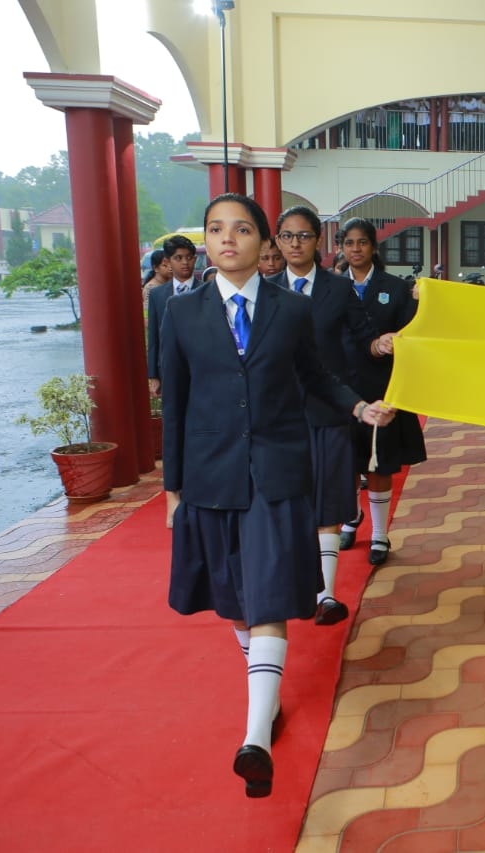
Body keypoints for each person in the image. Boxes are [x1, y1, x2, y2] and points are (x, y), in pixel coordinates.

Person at [160, 193, 392, 797]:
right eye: (215, 230)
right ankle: (267, 708)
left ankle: (253, 740)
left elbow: (317, 375)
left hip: (276, 473)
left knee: (264, 596)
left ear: (263, 242)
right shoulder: (180, 316)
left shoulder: (291, 311)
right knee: (236, 601)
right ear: (206, 242)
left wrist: (358, 405)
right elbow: (176, 406)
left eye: (240, 229)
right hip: (212, 477)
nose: (226, 239)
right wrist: (171, 490)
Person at [266, 206, 379, 625]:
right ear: (276, 241)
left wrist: (384, 344)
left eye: (304, 236)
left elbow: (364, 336)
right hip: (280, 414)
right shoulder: (264, 289)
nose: (295, 244)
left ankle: (326, 596)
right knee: (289, 501)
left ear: (318, 241)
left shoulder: (337, 289)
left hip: (330, 410)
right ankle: (292, 585)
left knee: (330, 503)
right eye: (288, 236)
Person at [335, 218, 427, 565]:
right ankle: (349, 518)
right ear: (341, 248)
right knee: (343, 462)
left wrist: (420, 305)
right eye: (349, 243)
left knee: (379, 462)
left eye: (362, 243)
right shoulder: (330, 287)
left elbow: (411, 331)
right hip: (340, 387)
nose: (355, 249)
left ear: (374, 247)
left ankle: (378, 534)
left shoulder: (396, 287)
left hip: (383, 387)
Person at [146, 235, 198, 398]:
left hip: (202, 367)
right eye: (178, 258)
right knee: (173, 414)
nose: (185, 262)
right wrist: (153, 375)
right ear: (167, 262)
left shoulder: (209, 291)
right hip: (169, 368)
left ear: (195, 259)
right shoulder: (157, 295)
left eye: (189, 258)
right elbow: (154, 337)